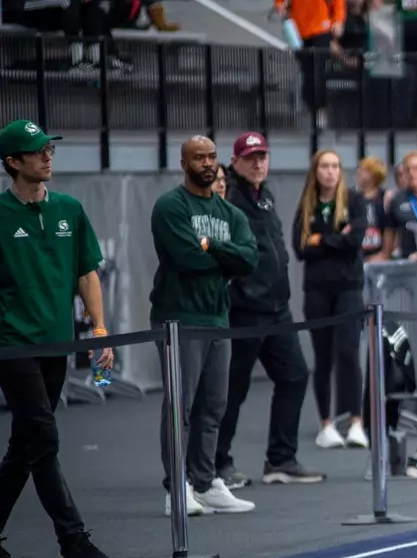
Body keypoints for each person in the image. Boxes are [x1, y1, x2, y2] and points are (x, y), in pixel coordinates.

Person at [0, 120, 111, 558]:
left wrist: (98, 329)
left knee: (25, 444)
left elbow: (86, 273)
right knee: (43, 437)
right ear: (13, 163)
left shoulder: (69, 210)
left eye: (48, 149)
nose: (47, 156)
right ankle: (72, 538)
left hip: (58, 342)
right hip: (11, 344)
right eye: (36, 152)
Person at [151, 136, 259, 515]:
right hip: (179, 317)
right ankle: (176, 488)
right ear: (184, 163)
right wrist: (221, 257)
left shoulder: (232, 214)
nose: (207, 163)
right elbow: (186, 260)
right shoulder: (170, 207)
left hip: (217, 316)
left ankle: (205, 480)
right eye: (199, 158)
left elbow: (249, 260)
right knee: (179, 406)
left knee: (214, 405)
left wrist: (211, 247)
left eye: (212, 157)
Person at [217, 131, 322, 483]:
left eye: (262, 157)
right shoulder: (228, 198)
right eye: (250, 158)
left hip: (278, 309)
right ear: (235, 162)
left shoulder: (266, 196)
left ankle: (280, 459)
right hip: (245, 310)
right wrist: (242, 292)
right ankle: (217, 464)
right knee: (233, 388)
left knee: (295, 376)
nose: (258, 163)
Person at [295, 148, 368, 454]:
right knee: (322, 357)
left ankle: (356, 422)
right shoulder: (307, 204)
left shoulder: (353, 200)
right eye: (324, 166)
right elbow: (300, 247)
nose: (330, 171)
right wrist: (335, 238)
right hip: (317, 290)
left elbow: (355, 240)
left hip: (348, 288)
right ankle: (326, 424)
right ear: (316, 171)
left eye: (335, 166)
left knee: (349, 352)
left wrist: (320, 240)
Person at [273, 0, 347, 127]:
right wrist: (280, 6)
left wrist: (337, 21)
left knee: (319, 68)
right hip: (298, 31)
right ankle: (311, 107)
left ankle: (320, 109)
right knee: (307, 71)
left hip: (321, 28)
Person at [356, 156, 392, 260]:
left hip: (379, 254)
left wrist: (385, 254)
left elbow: (391, 229)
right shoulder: (354, 197)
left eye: (363, 170)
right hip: (358, 255)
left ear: (373, 174)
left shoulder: (386, 197)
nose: (358, 172)